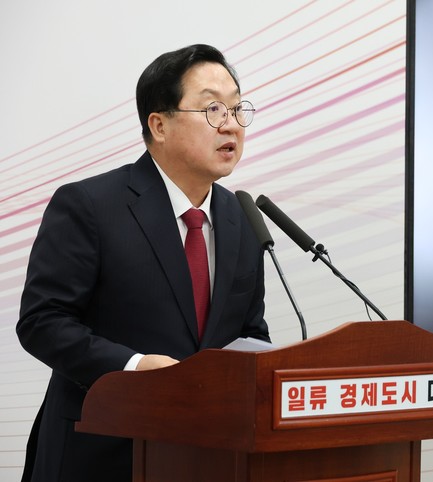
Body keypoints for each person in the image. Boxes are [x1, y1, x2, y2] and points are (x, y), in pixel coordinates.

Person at [16, 44, 270, 482]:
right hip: (100, 453)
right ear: (159, 125)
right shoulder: (90, 205)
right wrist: (134, 366)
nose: (231, 124)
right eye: (213, 109)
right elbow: (43, 321)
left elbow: (249, 332)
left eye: (236, 108)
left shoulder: (241, 218)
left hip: (205, 457)